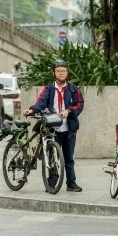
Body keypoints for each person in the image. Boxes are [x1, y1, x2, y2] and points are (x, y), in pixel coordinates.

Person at [24, 59, 85, 192]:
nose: (61, 73)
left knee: (69, 157)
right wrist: (32, 110)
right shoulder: (49, 89)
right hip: (53, 127)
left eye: (64, 71)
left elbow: (79, 104)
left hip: (69, 128)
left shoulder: (73, 89)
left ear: (67, 72)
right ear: (54, 73)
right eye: (58, 71)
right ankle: (51, 183)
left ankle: (71, 183)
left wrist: (68, 111)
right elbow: (41, 102)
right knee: (52, 156)